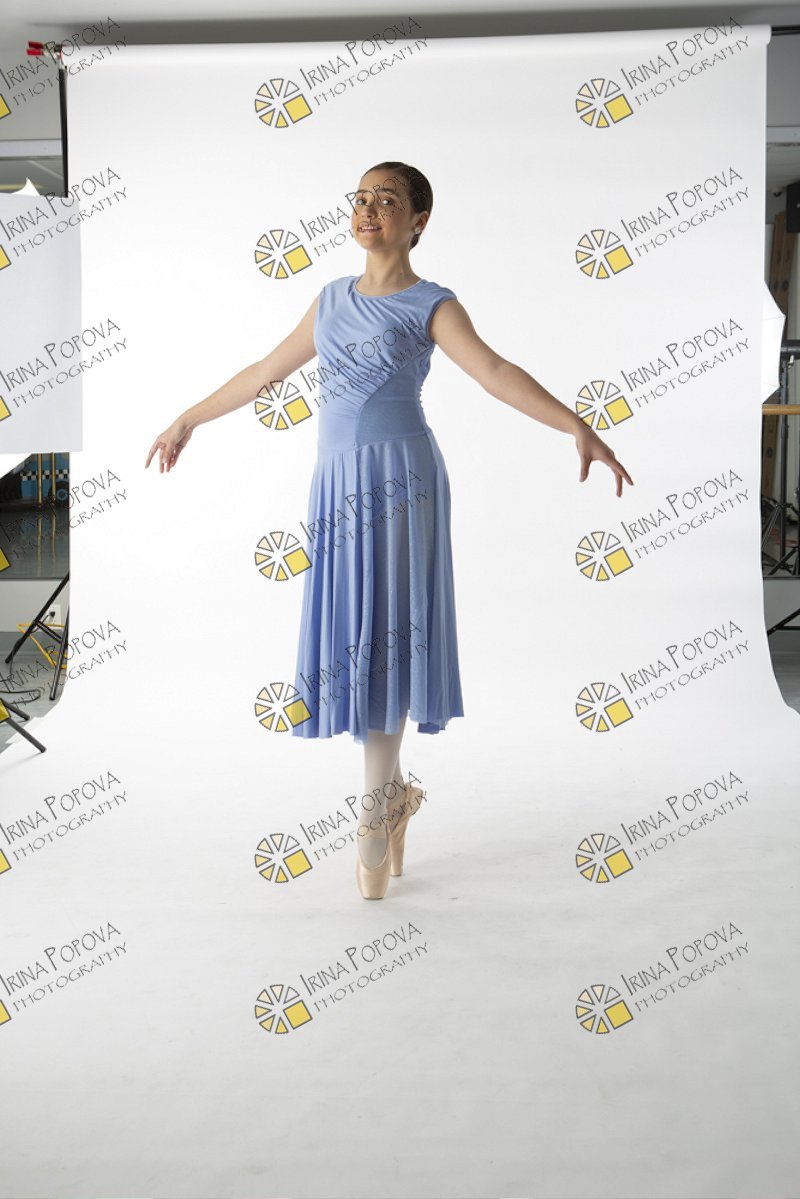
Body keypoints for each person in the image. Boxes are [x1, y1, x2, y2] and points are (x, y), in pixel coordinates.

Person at [145, 161, 633, 901]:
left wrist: (577, 426)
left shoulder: (432, 303)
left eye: (388, 200)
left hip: (402, 482)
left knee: (388, 638)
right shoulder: (329, 299)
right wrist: (189, 418)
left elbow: (494, 371)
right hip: (337, 483)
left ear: (418, 221)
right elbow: (265, 370)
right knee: (359, 641)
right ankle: (395, 796)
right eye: (362, 198)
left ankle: (374, 816)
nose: (369, 209)